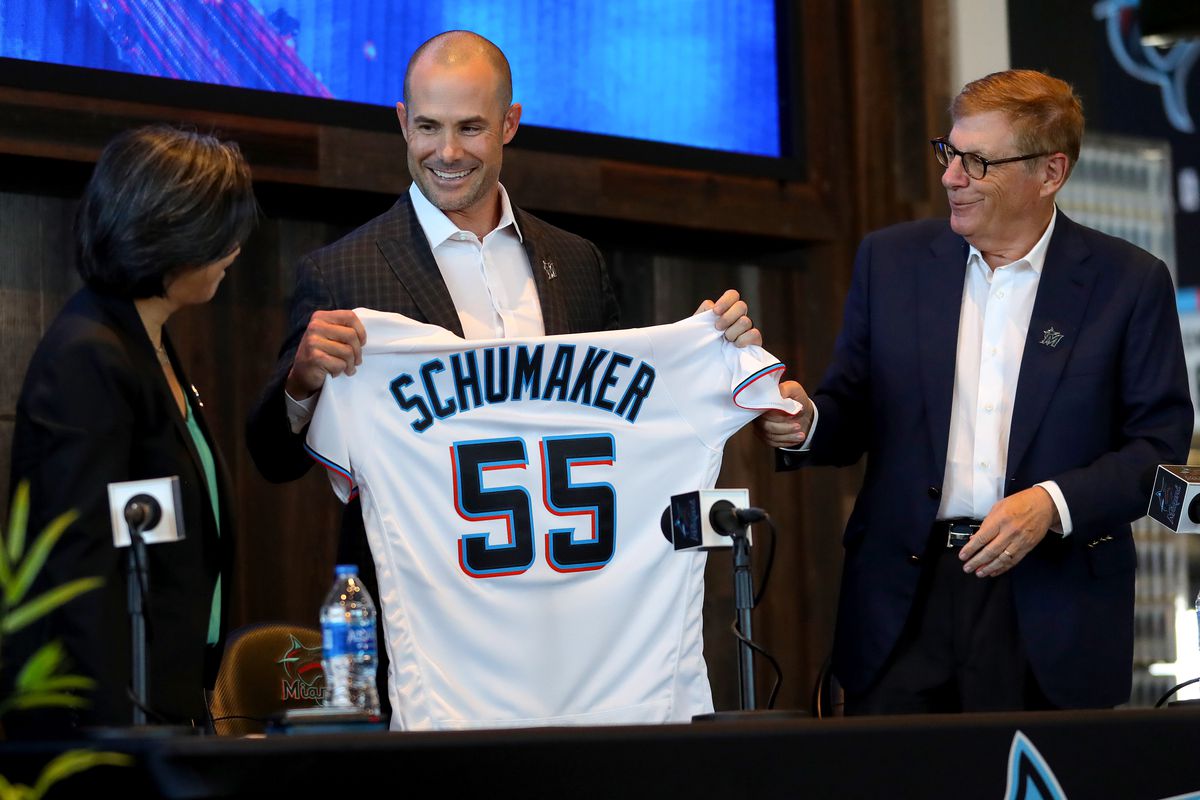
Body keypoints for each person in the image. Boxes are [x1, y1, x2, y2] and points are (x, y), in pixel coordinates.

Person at [246, 30, 759, 716]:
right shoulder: (341, 273)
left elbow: (625, 422)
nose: (447, 152)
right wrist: (303, 382)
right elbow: (272, 458)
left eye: (470, 128)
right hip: (434, 651)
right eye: (427, 127)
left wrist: (705, 348)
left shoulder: (576, 263)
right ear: (402, 122)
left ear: (510, 124)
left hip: (583, 638)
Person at [758, 69, 1192, 714]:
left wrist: (1050, 503)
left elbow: (1156, 450)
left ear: (1050, 173)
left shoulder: (1127, 282)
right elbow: (850, 407)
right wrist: (808, 420)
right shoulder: (891, 262)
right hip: (905, 602)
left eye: (978, 162)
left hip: (1052, 602)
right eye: (949, 152)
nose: (951, 178)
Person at [5, 126, 256, 732]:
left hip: (168, 699)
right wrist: (121, 737)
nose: (236, 250)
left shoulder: (151, 343)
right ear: (173, 232)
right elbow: (80, 569)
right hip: (111, 725)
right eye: (223, 232)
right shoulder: (90, 357)